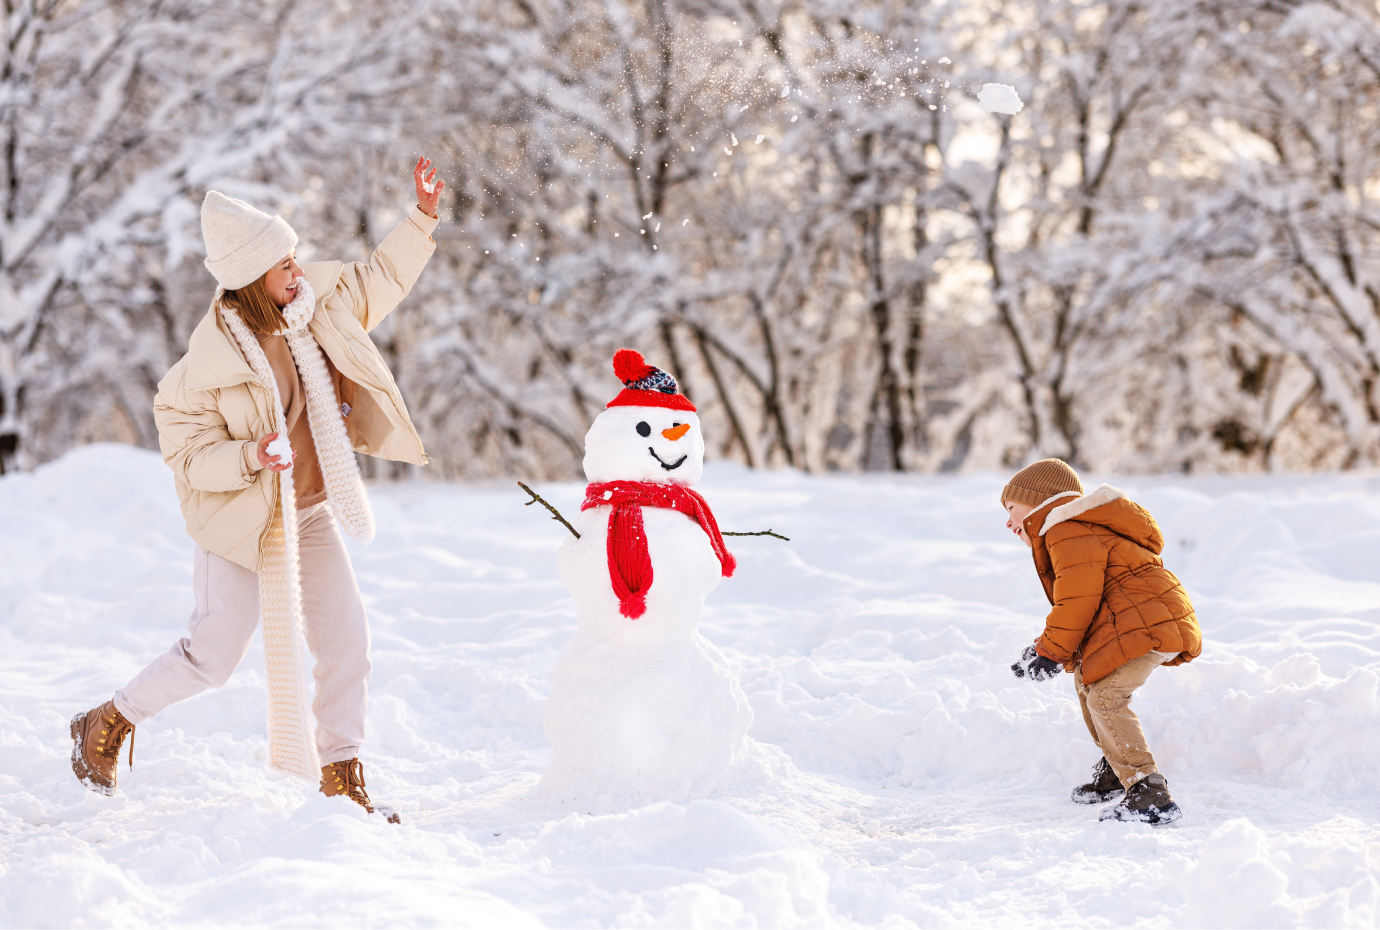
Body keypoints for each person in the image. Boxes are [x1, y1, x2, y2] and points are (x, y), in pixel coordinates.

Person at [69, 157, 446, 822]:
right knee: (212, 658)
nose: (299, 273)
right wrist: (248, 454)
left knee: (346, 640)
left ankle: (342, 776)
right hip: (241, 524)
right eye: (285, 266)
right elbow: (188, 457)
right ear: (250, 281)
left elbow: (383, 277)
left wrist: (422, 216)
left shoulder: (319, 309)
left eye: (296, 259)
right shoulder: (200, 371)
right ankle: (108, 719)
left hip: (308, 512)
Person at [1002, 459, 1202, 825]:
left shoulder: (1067, 530)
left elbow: (1077, 602)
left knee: (1106, 697)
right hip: (1144, 620)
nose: (1009, 521)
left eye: (1012, 508)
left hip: (1149, 623)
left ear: (1038, 501)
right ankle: (1116, 768)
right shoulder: (1074, 529)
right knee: (1088, 680)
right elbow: (1085, 604)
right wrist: (1044, 649)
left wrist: (1049, 651)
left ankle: (1148, 791)